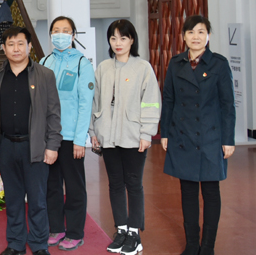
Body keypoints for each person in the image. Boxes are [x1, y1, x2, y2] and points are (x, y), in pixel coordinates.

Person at [160, 15, 235, 255]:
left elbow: (228, 105)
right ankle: (192, 245)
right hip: (183, 137)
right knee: (188, 192)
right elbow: (168, 100)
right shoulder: (175, 64)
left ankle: (208, 247)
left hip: (211, 137)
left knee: (211, 192)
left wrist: (228, 139)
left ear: (208, 36)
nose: (196, 37)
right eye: (191, 32)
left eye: (201, 32)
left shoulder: (219, 64)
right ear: (184, 36)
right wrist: (165, 132)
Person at [0, 26, 62, 255]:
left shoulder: (44, 75)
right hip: (6, 146)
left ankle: (38, 244)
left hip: (35, 146)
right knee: (13, 199)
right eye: (11, 44)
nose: (16, 48)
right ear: (4, 48)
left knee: (37, 200)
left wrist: (52, 146)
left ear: (29, 46)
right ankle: (16, 243)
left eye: (20, 43)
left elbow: (53, 113)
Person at [89, 19, 160, 255]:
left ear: (132, 40)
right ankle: (121, 229)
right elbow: (95, 101)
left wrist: (147, 133)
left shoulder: (143, 68)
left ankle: (134, 233)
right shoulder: (103, 68)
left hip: (133, 136)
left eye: (123, 38)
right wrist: (93, 131)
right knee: (115, 184)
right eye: (113, 38)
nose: (117, 43)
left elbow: (151, 102)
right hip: (108, 136)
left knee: (134, 184)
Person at [39, 17, 95, 251]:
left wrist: (81, 139)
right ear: (51, 35)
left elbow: (85, 104)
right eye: (56, 30)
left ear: (73, 36)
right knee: (51, 185)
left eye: (65, 30)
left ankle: (74, 232)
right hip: (49, 138)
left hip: (72, 138)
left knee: (74, 187)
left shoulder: (82, 64)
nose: (60, 34)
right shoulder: (44, 62)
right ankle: (56, 228)